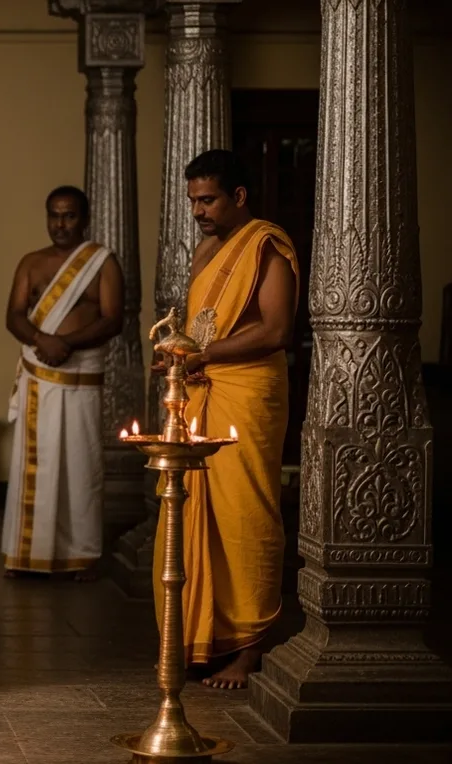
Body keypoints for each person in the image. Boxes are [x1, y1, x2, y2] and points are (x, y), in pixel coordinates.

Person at [154, 149, 297, 689]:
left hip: (248, 392)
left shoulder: (267, 247)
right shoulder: (207, 251)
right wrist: (176, 357)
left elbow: (277, 329)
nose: (199, 211)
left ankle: (249, 649)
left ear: (238, 196)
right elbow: (200, 330)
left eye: (208, 199)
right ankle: (199, 637)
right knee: (187, 512)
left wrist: (204, 357)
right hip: (199, 391)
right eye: (193, 201)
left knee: (245, 514)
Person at [1, 186, 122, 581]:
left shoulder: (102, 263)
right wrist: (42, 340)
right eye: (54, 215)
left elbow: (112, 318)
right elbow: (14, 315)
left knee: (79, 465)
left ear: (84, 219)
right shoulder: (31, 263)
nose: (60, 224)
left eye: (69, 216)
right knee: (37, 464)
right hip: (39, 377)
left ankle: (80, 556)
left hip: (81, 376)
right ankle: (27, 554)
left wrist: (66, 342)